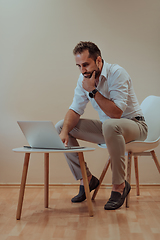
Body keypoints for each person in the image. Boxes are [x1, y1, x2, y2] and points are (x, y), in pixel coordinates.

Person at [55, 41, 148, 210]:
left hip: (135, 126)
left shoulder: (117, 73)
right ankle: (87, 179)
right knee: (62, 126)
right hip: (109, 128)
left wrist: (93, 91)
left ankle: (119, 186)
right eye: (79, 66)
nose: (83, 70)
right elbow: (75, 109)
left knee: (111, 125)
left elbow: (117, 113)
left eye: (86, 64)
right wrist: (64, 133)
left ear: (98, 61)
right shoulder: (84, 79)